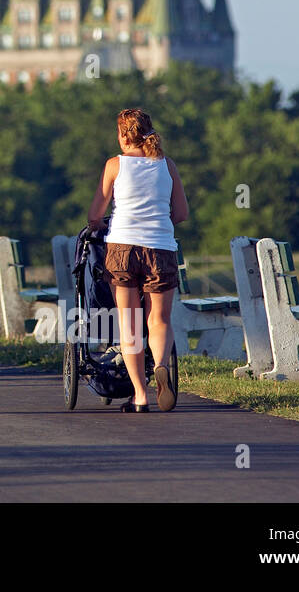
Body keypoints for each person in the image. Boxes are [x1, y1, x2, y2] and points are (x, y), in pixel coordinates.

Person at [86, 108, 189, 412]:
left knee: (129, 325)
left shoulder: (114, 166)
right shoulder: (167, 165)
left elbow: (94, 216)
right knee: (158, 319)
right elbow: (181, 214)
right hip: (160, 248)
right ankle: (159, 364)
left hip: (122, 248)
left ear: (122, 136)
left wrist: (102, 224)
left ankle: (140, 397)